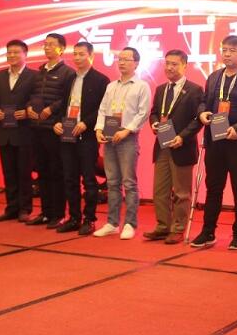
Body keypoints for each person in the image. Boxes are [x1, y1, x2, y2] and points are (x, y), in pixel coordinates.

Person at [192, 36, 237, 250]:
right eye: (224, 50)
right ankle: (208, 231)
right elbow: (204, 101)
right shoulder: (214, 76)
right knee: (213, 186)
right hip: (215, 137)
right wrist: (202, 113)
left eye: (232, 50)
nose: (227, 54)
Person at [144, 50, 203, 244]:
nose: (169, 67)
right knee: (159, 191)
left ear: (185, 65)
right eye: (167, 63)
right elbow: (154, 112)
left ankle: (178, 228)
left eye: (174, 64)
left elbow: (198, 120)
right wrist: (154, 123)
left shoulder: (194, 90)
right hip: (162, 145)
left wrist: (182, 137)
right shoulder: (161, 89)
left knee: (181, 193)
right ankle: (163, 226)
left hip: (181, 147)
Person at [52, 41, 109, 236]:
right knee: (69, 178)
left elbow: (102, 108)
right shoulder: (69, 78)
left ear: (91, 56)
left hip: (87, 135)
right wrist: (58, 122)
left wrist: (86, 123)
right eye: (75, 54)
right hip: (68, 134)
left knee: (89, 179)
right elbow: (63, 105)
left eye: (81, 54)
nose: (77, 57)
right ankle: (74, 218)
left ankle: (89, 219)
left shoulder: (101, 80)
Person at [93, 47, 151, 240]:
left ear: (136, 63)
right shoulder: (111, 86)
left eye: (127, 59)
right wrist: (99, 129)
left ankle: (130, 223)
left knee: (129, 183)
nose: (122, 62)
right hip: (109, 138)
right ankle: (112, 223)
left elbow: (143, 113)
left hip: (127, 139)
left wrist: (127, 130)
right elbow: (102, 110)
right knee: (112, 183)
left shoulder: (141, 86)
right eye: (120, 59)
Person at [25, 33, 75, 229]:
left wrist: (51, 109)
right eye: (45, 44)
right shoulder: (39, 73)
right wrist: (29, 107)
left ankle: (58, 214)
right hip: (36, 128)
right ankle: (45, 212)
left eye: (51, 44)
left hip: (54, 129)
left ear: (61, 49)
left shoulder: (68, 73)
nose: (46, 47)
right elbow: (32, 95)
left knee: (56, 172)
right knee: (42, 171)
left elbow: (67, 99)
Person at [0, 40, 37, 222]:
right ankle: (11, 208)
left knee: (24, 172)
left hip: (24, 131)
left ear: (25, 54)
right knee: (8, 172)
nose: (12, 55)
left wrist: (27, 111)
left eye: (16, 52)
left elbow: (37, 99)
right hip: (5, 132)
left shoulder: (34, 76)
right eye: (9, 52)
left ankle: (25, 209)